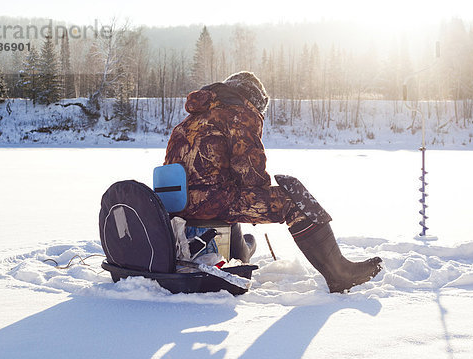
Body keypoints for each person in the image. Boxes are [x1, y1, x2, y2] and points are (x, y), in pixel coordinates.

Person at [164, 71, 382, 293]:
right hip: (211, 203)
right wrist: (263, 187)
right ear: (254, 100)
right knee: (291, 201)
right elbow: (250, 176)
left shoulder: (191, 119)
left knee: (227, 195)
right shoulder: (240, 113)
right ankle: (340, 274)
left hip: (177, 206)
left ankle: (240, 253)